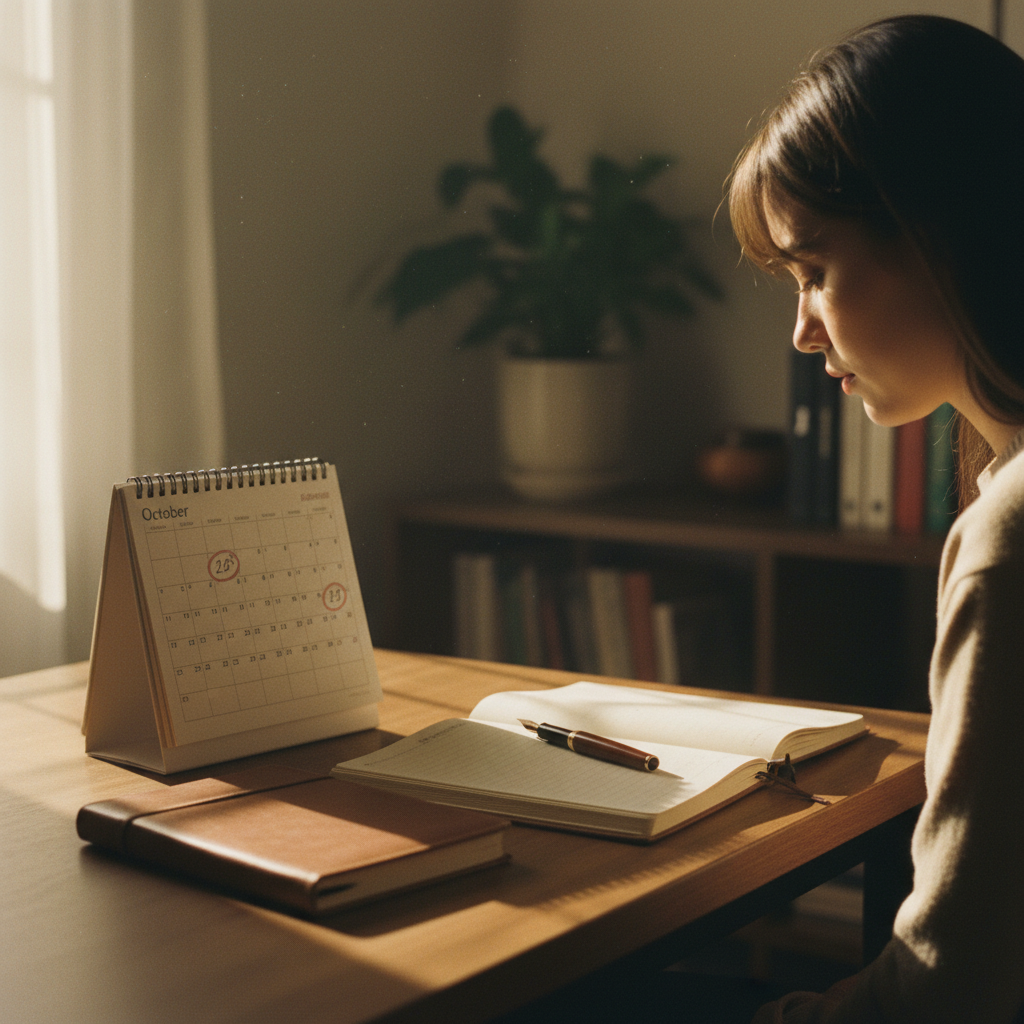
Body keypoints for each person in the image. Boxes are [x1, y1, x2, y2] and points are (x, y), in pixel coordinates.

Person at [728, 15, 1024, 1024]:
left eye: (813, 271)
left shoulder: (1010, 539)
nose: (802, 330)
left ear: (937, 232)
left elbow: (954, 993)